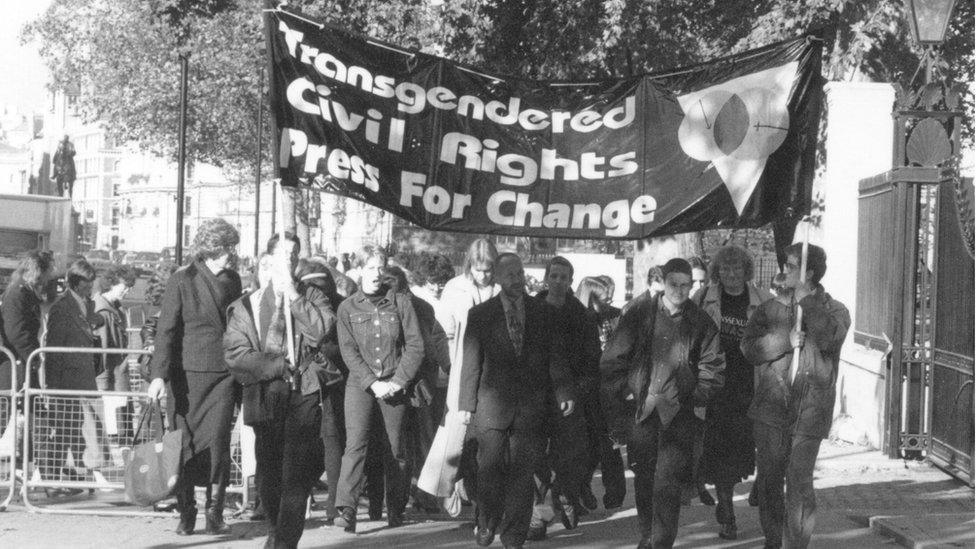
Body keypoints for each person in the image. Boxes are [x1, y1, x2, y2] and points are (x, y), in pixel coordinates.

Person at [600, 258, 725, 549]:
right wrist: (625, 390)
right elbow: (612, 359)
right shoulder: (639, 314)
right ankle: (648, 534)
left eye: (686, 285)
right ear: (663, 281)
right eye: (674, 284)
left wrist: (697, 396)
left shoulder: (700, 321)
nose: (680, 291)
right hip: (642, 409)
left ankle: (661, 542)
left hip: (679, 413)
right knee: (644, 477)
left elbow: (713, 365)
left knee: (668, 482)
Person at [459, 253, 575, 549]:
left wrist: (563, 392)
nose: (517, 279)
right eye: (509, 274)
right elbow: (471, 361)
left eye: (520, 273)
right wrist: (465, 403)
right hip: (491, 406)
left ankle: (514, 536)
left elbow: (556, 357)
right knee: (489, 470)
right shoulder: (481, 314)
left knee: (523, 476)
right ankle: (486, 520)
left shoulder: (542, 312)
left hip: (530, 407)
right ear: (497, 278)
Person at [741, 243, 850, 549]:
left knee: (799, 482)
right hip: (771, 408)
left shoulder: (835, 310)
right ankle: (774, 541)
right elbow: (748, 349)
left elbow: (830, 339)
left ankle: (796, 545)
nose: (784, 271)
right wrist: (783, 341)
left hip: (810, 409)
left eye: (790, 266)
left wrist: (807, 302)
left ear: (809, 273)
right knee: (770, 481)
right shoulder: (770, 310)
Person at [224, 233, 329, 549]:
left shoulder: (312, 295)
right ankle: (275, 528)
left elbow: (322, 329)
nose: (290, 259)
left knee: (296, 473)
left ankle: (285, 542)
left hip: (303, 392)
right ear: (269, 259)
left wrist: (295, 298)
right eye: (284, 254)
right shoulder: (246, 305)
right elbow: (235, 355)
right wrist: (275, 365)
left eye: (295, 254)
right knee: (268, 473)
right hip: (265, 394)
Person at [146, 218, 243, 536]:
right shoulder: (182, 280)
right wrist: (158, 375)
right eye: (228, 247)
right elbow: (166, 331)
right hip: (186, 378)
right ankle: (186, 512)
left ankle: (214, 512)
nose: (232, 254)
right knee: (184, 447)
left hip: (222, 377)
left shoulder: (233, 281)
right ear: (213, 248)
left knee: (217, 444)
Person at [333, 250, 424, 533]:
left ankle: (395, 508)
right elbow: (348, 352)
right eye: (369, 267)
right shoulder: (347, 308)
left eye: (379, 268)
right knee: (355, 444)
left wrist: (397, 382)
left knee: (394, 448)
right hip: (361, 385)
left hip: (395, 383)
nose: (375, 274)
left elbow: (415, 346)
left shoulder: (401, 303)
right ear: (359, 270)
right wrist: (373, 383)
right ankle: (346, 510)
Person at [692, 245, 772, 539]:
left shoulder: (763, 300)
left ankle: (752, 490)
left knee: (746, 448)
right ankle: (727, 509)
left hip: (750, 385)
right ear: (717, 272)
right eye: (725, 269)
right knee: (719, 451)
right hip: (715, 387)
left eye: (737, 268)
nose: (731, 274)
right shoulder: (702, 299)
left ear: (746, 271)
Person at [417, 239, 499, 511]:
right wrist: (453, 366)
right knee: (456, 436)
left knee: (488, 438)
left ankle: (481, 498)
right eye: (478, 269)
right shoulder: (455, 288)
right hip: (462, 372)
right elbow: (441, 332)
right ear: (469, 266)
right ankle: (449, 485)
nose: (483, 275)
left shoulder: (500, 289)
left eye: (488, 270)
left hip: (494, 376)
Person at [528, 256, 595, 540]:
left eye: (563, 277)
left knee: (568, 455)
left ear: (570, 281)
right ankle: (536, 514)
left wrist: (577, 391)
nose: (557, 281)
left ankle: (565, 492)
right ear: (546, 278)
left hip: (569, 396)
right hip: (535, 394)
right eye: (553, 276)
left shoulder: (581, 315)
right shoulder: (531, 309)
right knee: (534, 455)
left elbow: (592, 359)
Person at [383, 265, 450, 513]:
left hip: (420, 382)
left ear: (402, 283)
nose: (386, 285)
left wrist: (447, 367)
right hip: (396, 383)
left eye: (390, 281)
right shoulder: (379, 306)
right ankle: (403, 497)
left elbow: (434, 340)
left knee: (422, 441)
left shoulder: (420, 307)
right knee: (403, 443)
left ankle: (423, 494)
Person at [295, 258, 347, 523]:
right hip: (333, 378)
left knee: (323, 441)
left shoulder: (300, 302)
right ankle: (334, 506)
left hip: (316, 379)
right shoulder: (338, 302)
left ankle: (324, 504)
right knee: (332, 441)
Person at [574, 276, 626, 510]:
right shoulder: (577, 318)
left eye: (609, 299)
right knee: (588, 446)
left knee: (611, 443)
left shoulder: (615, 316)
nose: (607, 304)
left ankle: (614, 492)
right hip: (585, 388)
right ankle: (581, 488)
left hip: (610, 387)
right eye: (602, 300)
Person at [93, 264, 138, 440]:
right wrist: (103, 380)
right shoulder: (103, 311)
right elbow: (101, 351)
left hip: (117, 372)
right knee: (115, 430)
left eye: (129, 288)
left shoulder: (115, 308)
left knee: (120, 427)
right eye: (124, 287)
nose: (126, 291)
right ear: (111, 283)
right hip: (111, 375)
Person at [1, 251, 54, 390]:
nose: (48, 278)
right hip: (16, 363)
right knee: (16, 408)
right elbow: (16, 332)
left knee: (31, 408)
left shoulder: (25, 293)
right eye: (47, 273)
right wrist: (33, 356)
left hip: (22, 361)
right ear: (38, 272)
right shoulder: (17, 294)